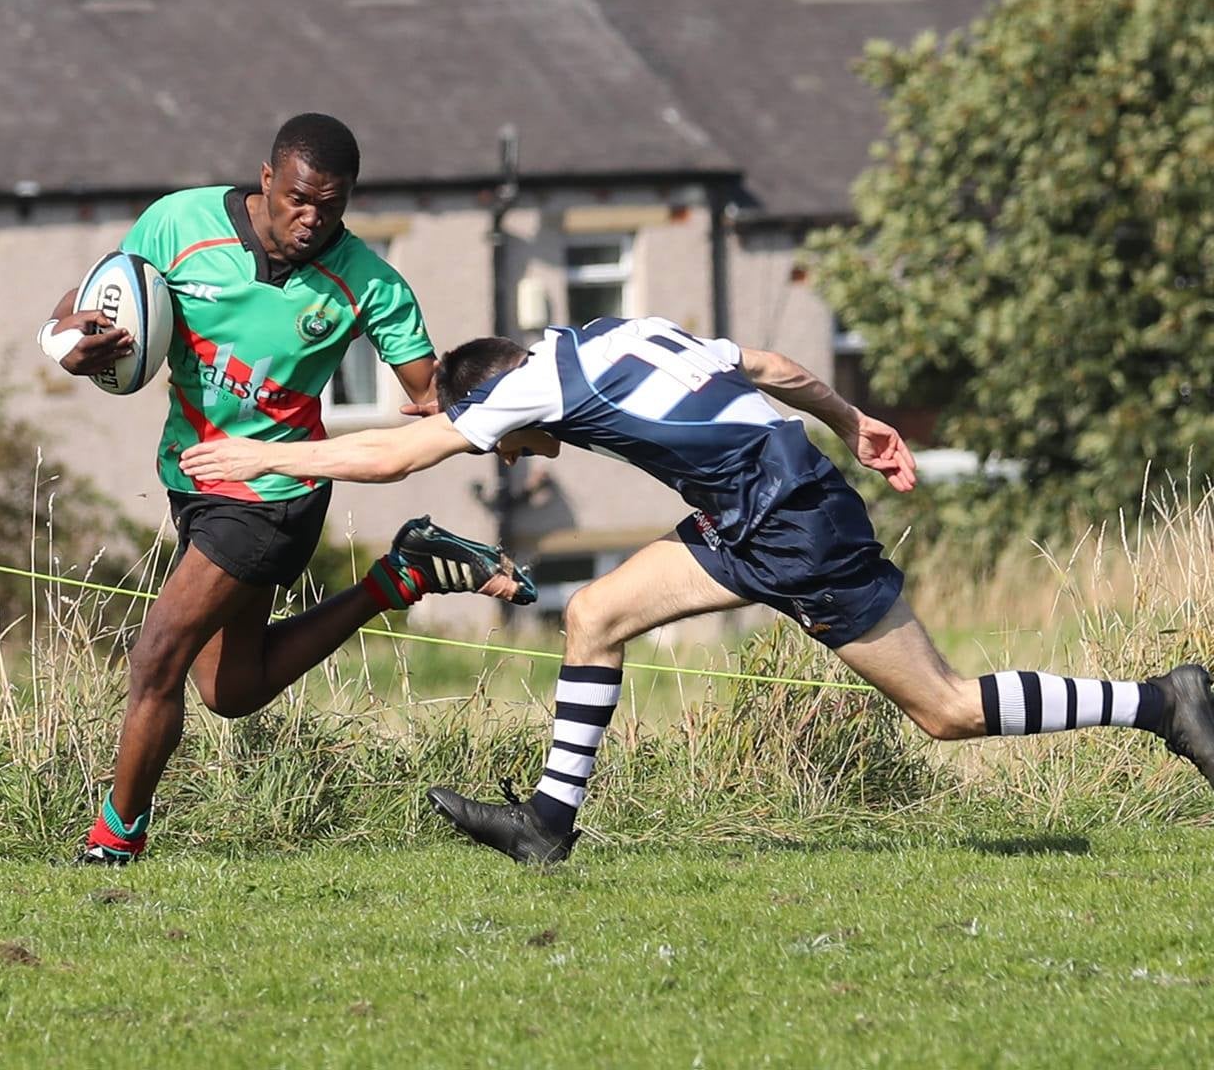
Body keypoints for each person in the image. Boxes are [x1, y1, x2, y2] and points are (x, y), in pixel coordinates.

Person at [178, 313, 1214, 864]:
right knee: (595, 612)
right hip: (755, 508)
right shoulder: (617, 331)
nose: (514, 454)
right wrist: (853, 420)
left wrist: (271, 460)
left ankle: (1163, 703)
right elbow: (763, 362)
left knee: (943, 709)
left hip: (791, 523)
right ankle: (549, 824)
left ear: (501, 395)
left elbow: (401, 457)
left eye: (507, 440)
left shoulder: (529, 387)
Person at [38, 113, 533, 864]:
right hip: (194, 479)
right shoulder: (179, 224)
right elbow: (86, 304)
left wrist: (517, 413)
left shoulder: (366, 281)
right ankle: (402, 575)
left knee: (156, 656)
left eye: (331, 206)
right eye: (299, 198)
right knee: (229, 691)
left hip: (277, 491)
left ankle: (114, 841)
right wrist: (69, 342)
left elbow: (433, 392)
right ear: (267, 178)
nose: (312, 219)